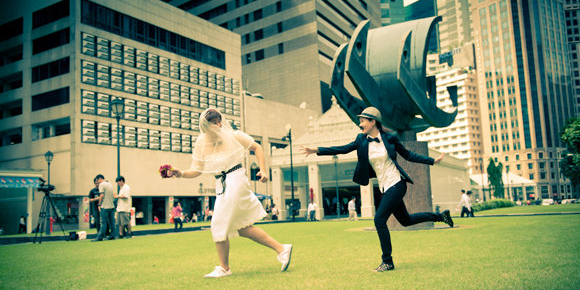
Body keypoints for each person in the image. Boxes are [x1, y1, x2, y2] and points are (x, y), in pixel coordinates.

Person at [301, 106, 454, 272]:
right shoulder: (361, 140)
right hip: (384, 186)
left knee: (379, 220)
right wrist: (317, 150)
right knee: (406, 220)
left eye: (363, 121)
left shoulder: (390, 139)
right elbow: (343, 149)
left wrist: (432, 161)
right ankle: (441, 216)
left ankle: (387, 261)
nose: (360, 124)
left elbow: (408, 155)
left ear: (373, 122)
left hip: (396, 182)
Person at [170, 108, 292, 278]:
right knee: (242, 227)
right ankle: (281, 249)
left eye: (220, 121)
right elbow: (196, 170)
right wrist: (181, 173)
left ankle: (224, 268)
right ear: (205, 126)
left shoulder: (233, 135)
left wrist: (263, 170)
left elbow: (256, 147)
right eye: (214, 123)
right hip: (220, 184)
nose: (219, 125)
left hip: (235, 178)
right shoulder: (200, 143)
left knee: (218, 224)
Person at [92, 174, 116, 242]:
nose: (97, 182)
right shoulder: (110, 184)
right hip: (111, 206)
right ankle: (112, 235)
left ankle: (100, 237)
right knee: (112, 222)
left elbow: (101, 195)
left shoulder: (102, 185)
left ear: (99, 178)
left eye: (97, 180)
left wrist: (99, 204)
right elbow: (113, 195)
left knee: (103, 223)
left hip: (104, 207)